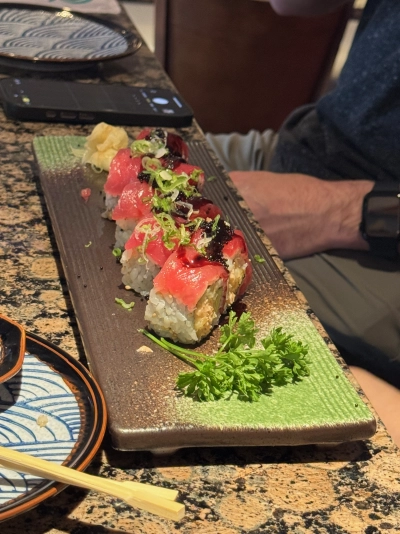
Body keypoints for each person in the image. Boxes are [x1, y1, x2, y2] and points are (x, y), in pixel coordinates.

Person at [206, 0, 400, 388]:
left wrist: (335, 210)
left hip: (377, 230)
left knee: (186, 305)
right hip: (313, 144)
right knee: (113, 167)